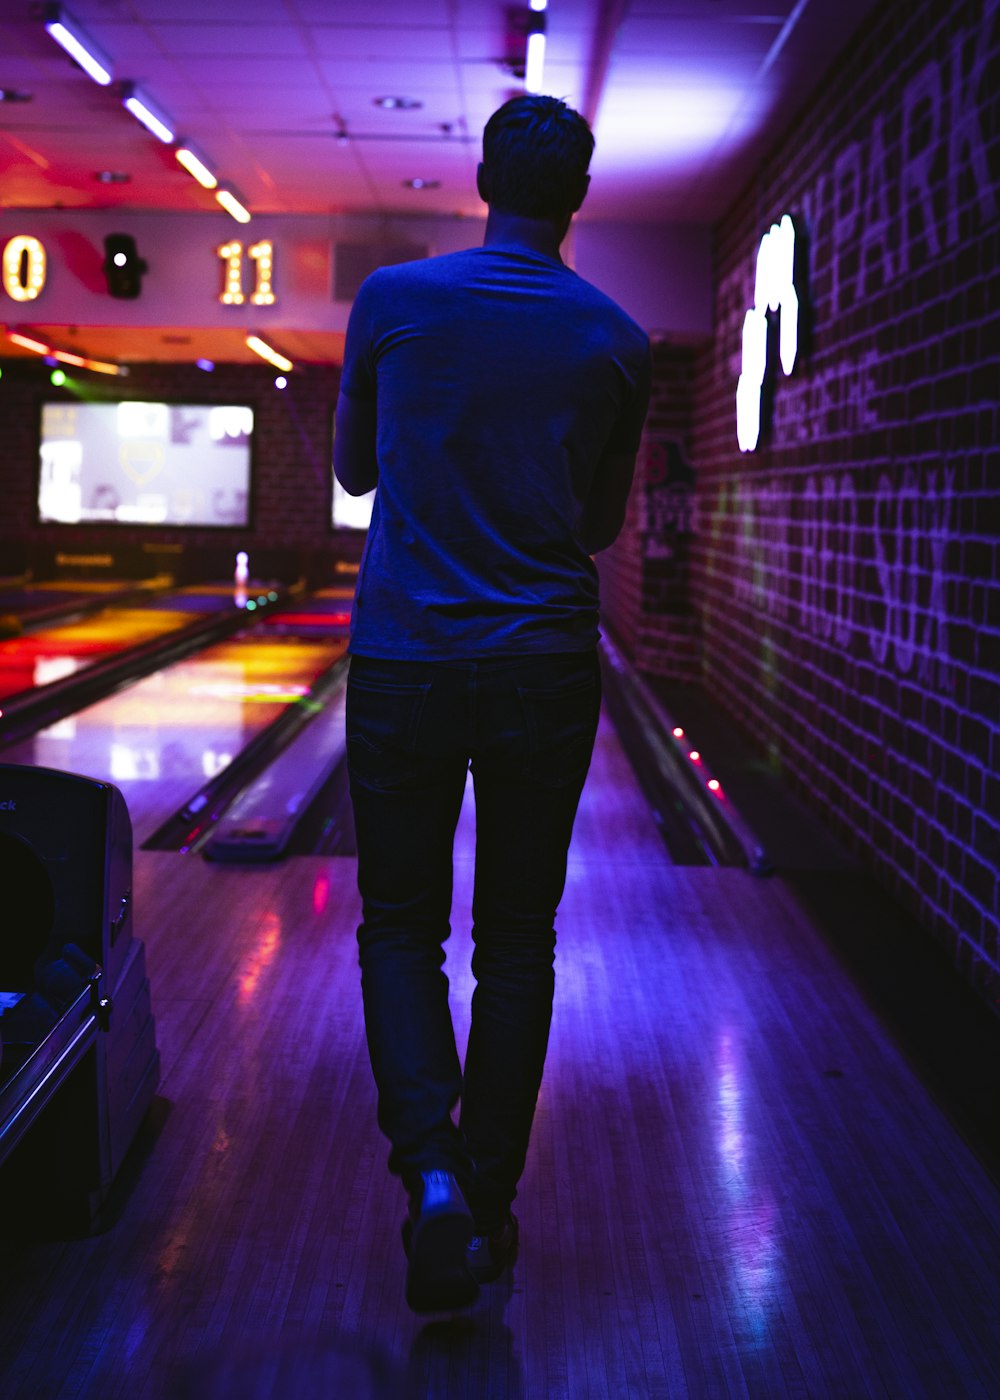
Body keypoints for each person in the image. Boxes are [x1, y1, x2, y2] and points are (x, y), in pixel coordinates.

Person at [334, 93, 651, 1314]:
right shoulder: (615, 337)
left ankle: (431, 1182)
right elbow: (597, 524)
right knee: (518, 938)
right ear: (577, 199)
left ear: (479, 178)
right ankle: (491, 1194)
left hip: (406, 654)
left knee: (399, 927)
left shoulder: (394, 303)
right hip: (541, 662)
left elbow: (359, 470)